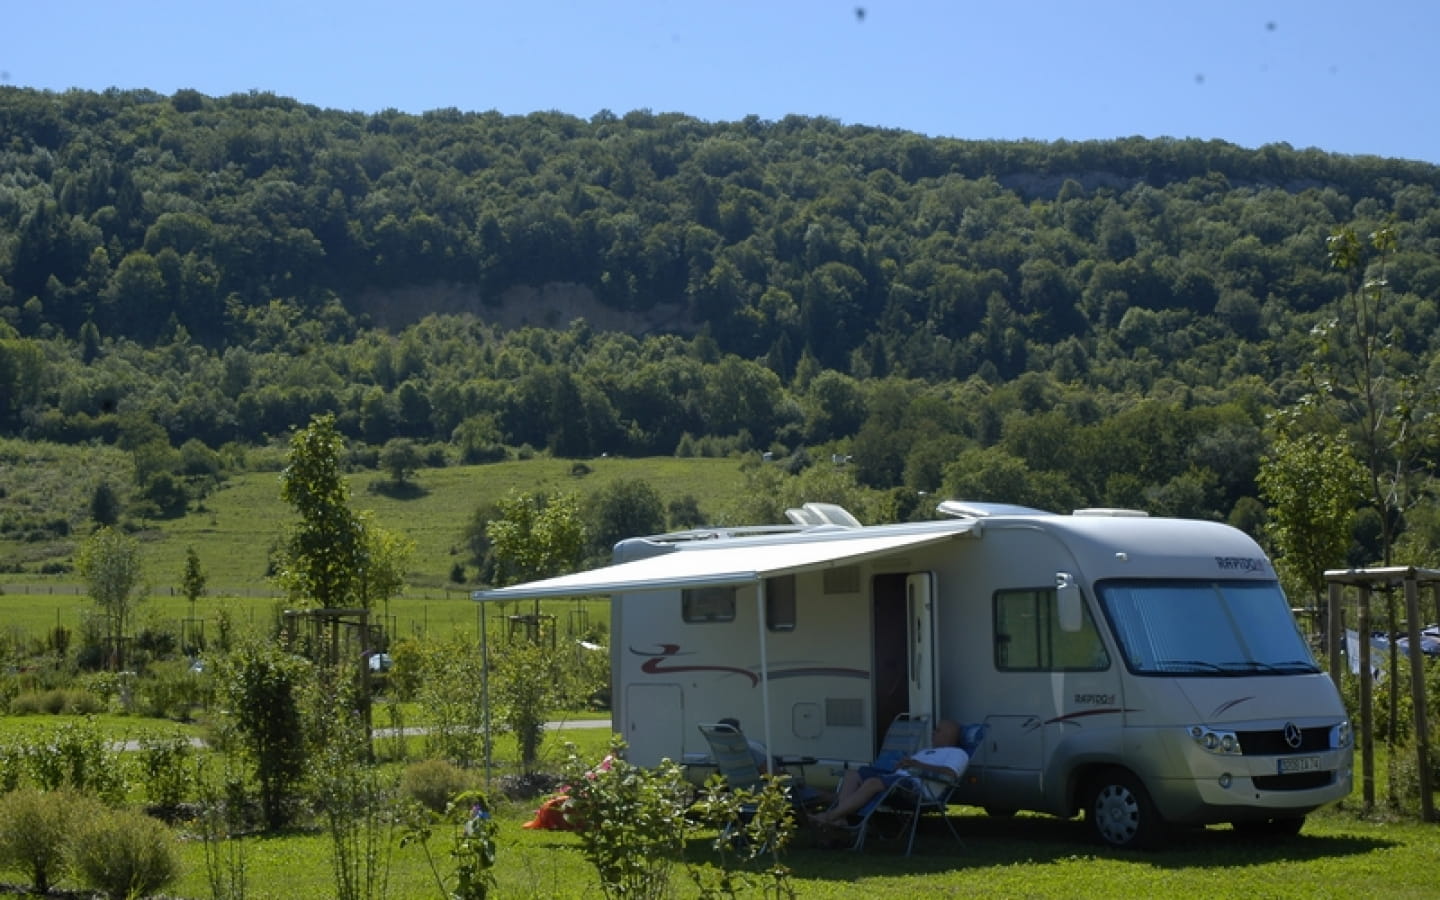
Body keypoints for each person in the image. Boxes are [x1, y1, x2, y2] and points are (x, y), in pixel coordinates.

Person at [810, 719, 968, 827]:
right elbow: (909, 767)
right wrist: (902, 766)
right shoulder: (927, 751)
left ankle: (831, 816)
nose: (933, 733)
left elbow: (950, 775)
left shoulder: (957, 754)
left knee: (873, 783)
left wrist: (917, 765)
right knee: (853, 774)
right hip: (898, 779)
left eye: (937, 730)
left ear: (948, 734)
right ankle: (841, 818)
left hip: (917, 789)